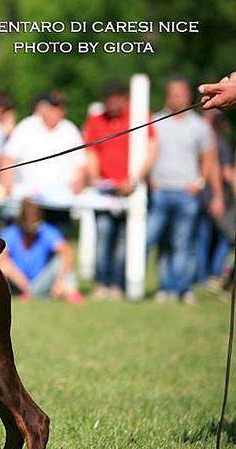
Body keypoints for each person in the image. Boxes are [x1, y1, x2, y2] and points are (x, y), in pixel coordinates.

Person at [148, 77, 224, 304]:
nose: (176, 98)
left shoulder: (200, 126)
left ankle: (183, 288)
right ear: (166, 95)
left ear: (189, 96)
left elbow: (209, 159)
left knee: (184, 243)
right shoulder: (154, 122)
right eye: (172, 93)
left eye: (180, 93)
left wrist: (202, 183)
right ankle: (166, 287)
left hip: (187, 193)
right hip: (160, 191)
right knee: (161, 243)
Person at [83, 81, 156, 300]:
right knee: (104, 235)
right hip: (105, 191)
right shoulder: (96, 120)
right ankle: (101, 282)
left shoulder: (139, 118)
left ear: (125, 98)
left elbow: (151, 149)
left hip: (132, 190)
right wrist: (95, 178)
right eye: (109, 99)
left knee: (126, 241)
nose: (113, 103)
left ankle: (117, 283)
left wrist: (134, 180)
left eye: (118, 98)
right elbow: (91, 152)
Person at [0, 92, 86, 205]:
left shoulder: (70, 129)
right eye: (53, 107)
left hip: (61, 198)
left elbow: (80, 163)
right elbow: (8, 156)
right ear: (43, 108)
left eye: (60, 108)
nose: (57, 111)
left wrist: (78, 184)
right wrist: (7, 184)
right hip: (28, 197)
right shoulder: (27, 125)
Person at [0, 199, 83, 303]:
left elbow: (67, 252)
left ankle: (71, 292)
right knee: (1, 265)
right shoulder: (10, 233)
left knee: (60, 260)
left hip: (41, 280)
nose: (32, 232)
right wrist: (22, 282)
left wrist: (60, 280)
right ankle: (31, 294)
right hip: (17, 283)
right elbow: (1, 260)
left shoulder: (46, 231)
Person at [196, 110, 234, 290]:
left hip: (202, 196)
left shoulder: (201, 140)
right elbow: (227, 173)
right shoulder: (220, 143)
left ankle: (203, 277)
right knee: (226, 239)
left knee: (202, 237)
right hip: (219, 199)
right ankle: (214, 275)